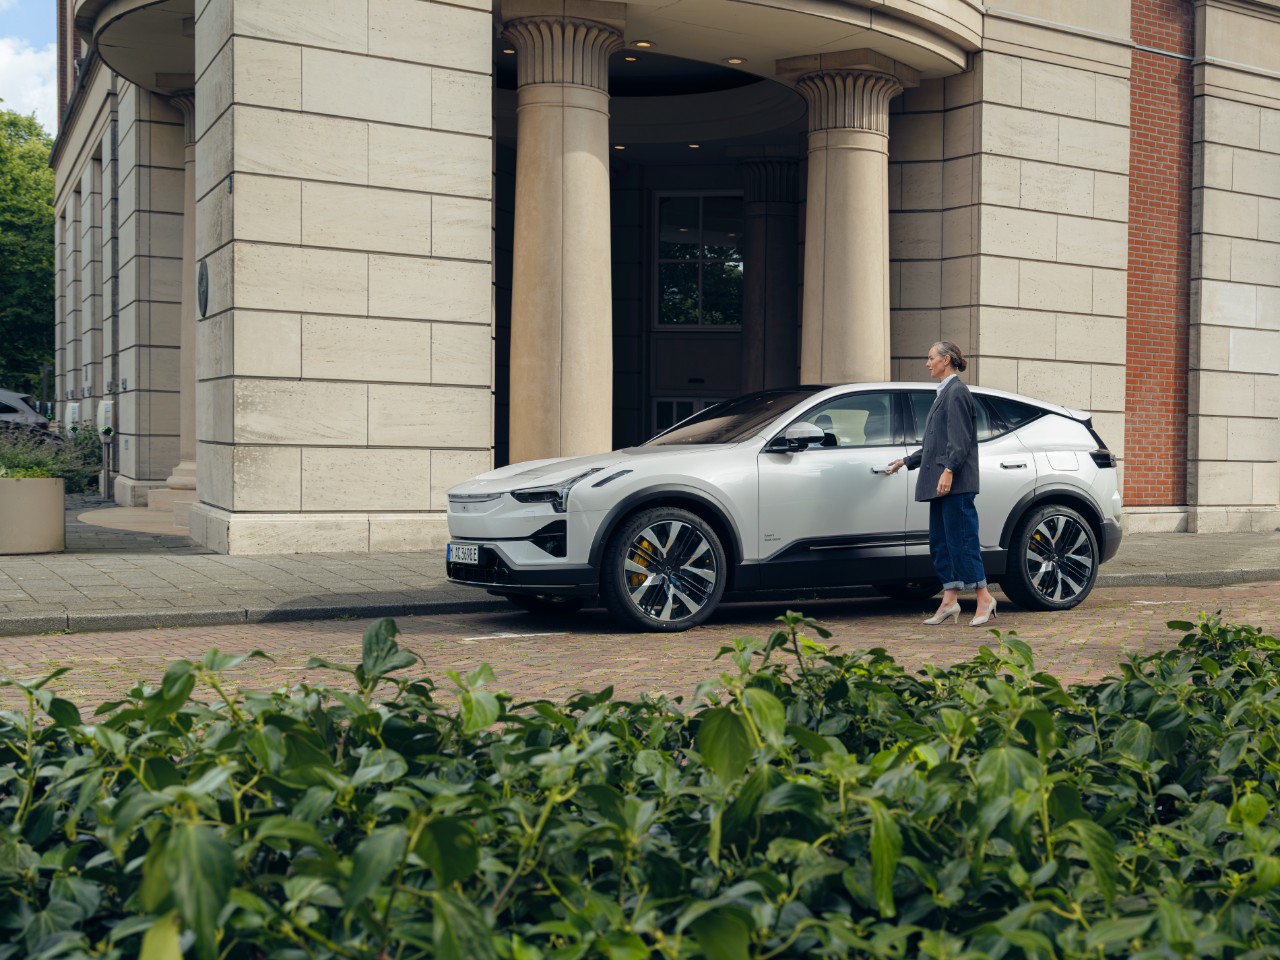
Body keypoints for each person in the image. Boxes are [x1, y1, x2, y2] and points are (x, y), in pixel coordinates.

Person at [884, 341, 997, 626]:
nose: (927, 363)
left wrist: (949, 470)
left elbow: (959, 441)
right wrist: (906, 461)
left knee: (963, 540)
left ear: (946, 360)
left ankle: (984, 598)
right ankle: (949, 600)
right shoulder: (944, 393)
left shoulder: (957, 392)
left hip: (955, 484)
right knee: (941, 542)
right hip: (941, 484)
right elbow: (935, 444)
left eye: (931, 357)